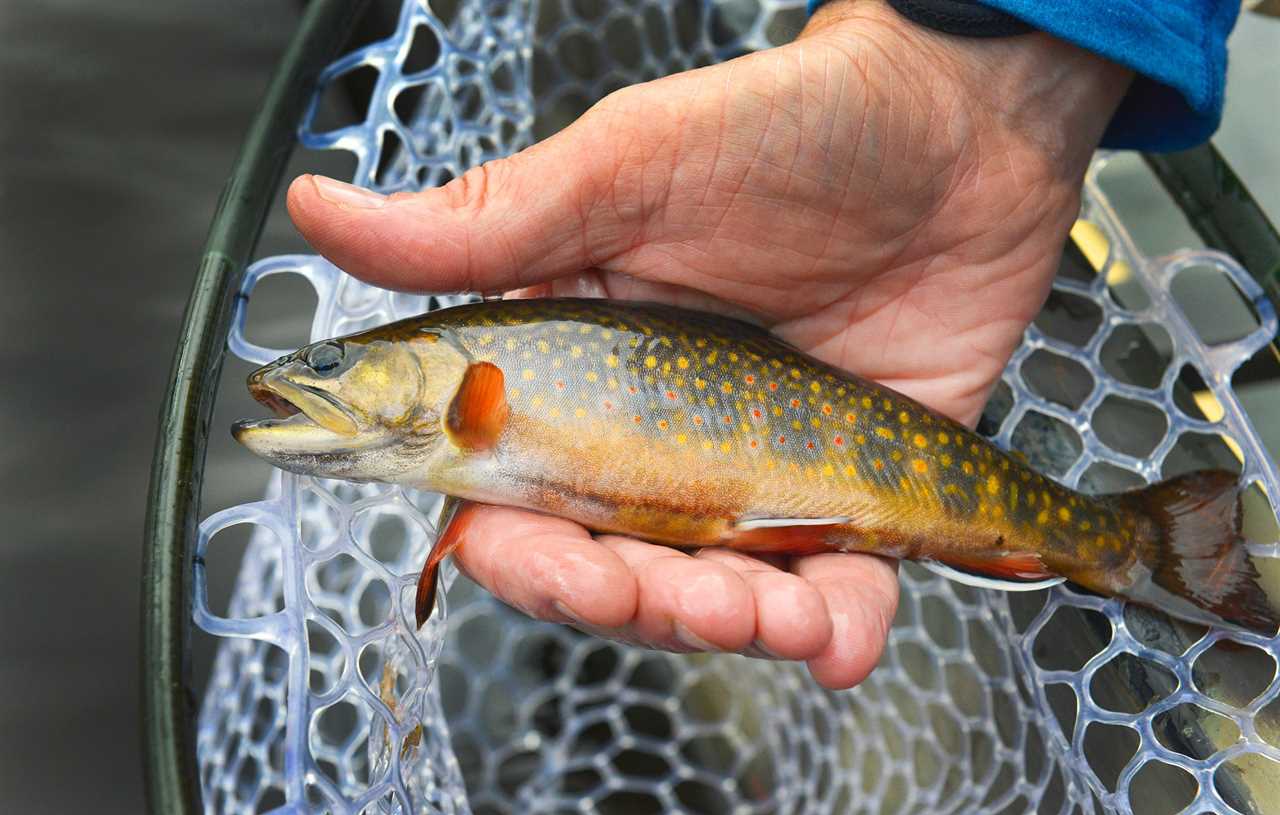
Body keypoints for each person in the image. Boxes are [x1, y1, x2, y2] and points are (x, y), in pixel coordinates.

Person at [284, 0, 1235, 689]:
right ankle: (1134, 542)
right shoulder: (465, 423)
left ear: (454, 382)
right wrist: (975, 62)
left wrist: (970, 78)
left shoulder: (479, 403)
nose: (307, 378)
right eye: (323, 367)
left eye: (326, 365)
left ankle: (1132, 539)